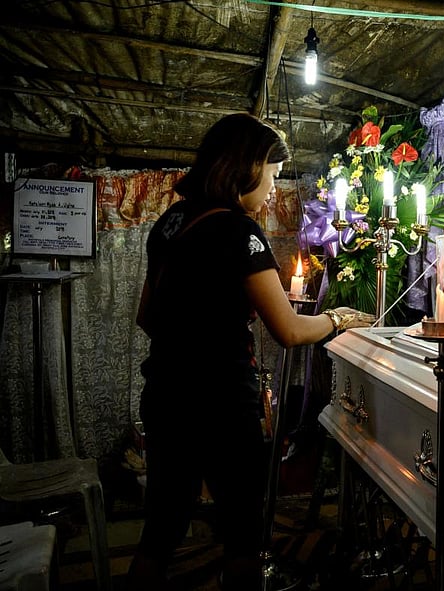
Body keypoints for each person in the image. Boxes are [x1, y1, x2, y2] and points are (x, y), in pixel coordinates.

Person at [127, 112, 373, 590]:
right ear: (249, 165)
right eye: (274, 176)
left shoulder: (170, 223)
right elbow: (288, 329)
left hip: (164, 396)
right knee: (243, 534)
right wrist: (339, 319)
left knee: (159, 532)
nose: (272, 190)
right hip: (221, 404)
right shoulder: (240, 233)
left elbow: (146, 317)